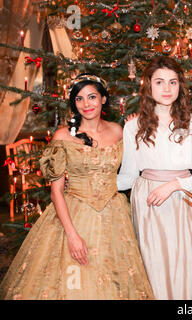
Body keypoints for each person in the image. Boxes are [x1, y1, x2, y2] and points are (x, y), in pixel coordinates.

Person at [0, 74, 154, 300]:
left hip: (114, 217)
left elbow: (133, 172)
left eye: (92, 97)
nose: (86, 104)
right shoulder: (63, 136)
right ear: (74, 103)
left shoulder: (120, 131)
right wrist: (72, 236)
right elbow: (56, 192)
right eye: (79, 99)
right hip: (75, 215)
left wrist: (135, 127)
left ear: (103, 99)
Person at [117, 56, 192, 300]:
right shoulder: (133, 127)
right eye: (160, 82)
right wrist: (92, 183)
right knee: (153, 269)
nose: (166, 88)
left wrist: (174, 186)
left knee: (183, 269)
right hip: (148, 206)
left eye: (173, 82)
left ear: (179, 87)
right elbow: (129, 176)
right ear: (148, 85)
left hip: (183, 203)